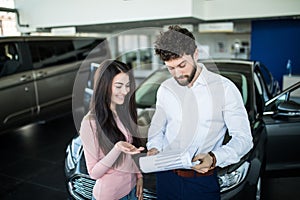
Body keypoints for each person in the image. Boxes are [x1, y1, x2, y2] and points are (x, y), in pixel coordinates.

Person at [146, 25, 253, 199]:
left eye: (182, 65)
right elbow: (158, 127)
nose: (178, 74)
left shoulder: (224, 89)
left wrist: (214, 157)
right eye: (170, 68)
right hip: (165, 178)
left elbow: (244, 139)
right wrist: (154, 147)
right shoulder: (165, 89)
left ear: (196, 54)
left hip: (201, 183)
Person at [79, 59, 145, 200]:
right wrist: (117, 148)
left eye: (128, 86)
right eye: (119, 86)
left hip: (132, 191)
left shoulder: (123, 112)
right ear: (104, 86)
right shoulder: (90, 123)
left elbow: (131, 153)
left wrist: (139, 176)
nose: (125, 91)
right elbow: (94, 173)